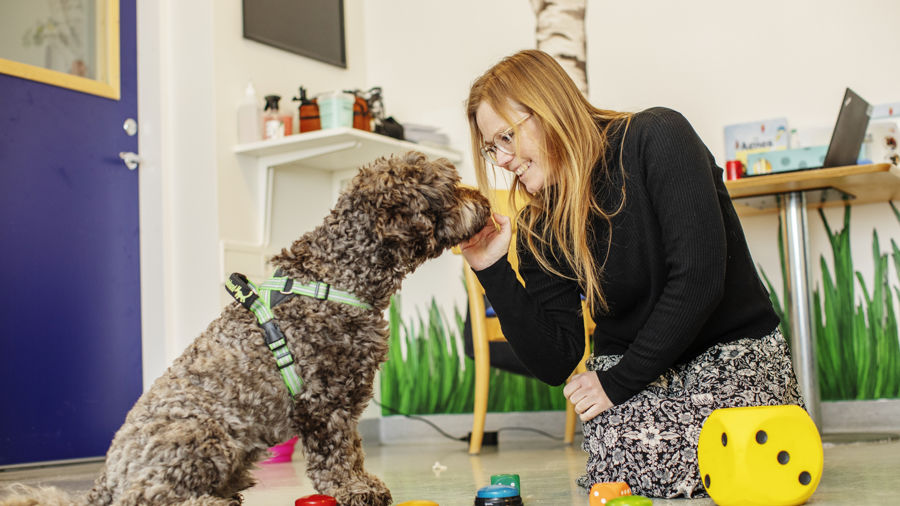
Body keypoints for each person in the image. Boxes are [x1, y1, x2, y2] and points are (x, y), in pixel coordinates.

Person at [459, 49, 804, 498]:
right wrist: (492, 269)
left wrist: (618, 383)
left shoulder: (657, 135)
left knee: (676, 454)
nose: (502, 159)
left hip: (728, 352)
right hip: (633, 370)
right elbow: (556, 360)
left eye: (506, 137)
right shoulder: (541, 227)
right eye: (492, 148)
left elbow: (698, 280)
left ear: (549, 108)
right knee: (630, 455)